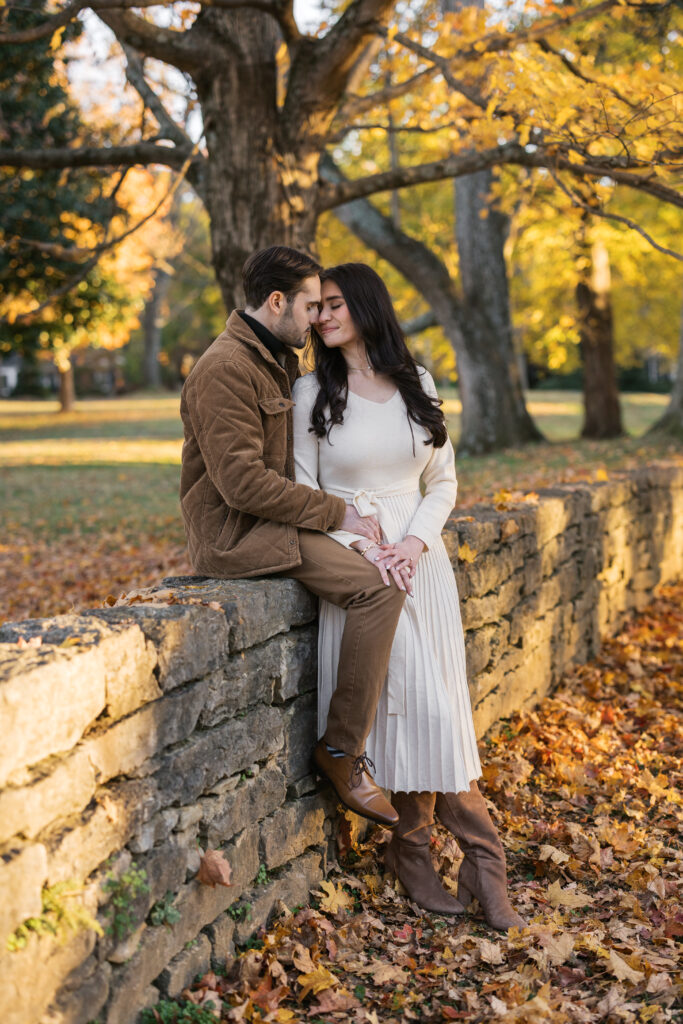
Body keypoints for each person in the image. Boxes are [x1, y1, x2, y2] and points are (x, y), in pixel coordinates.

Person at [292, 262, 526, 930]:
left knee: (434, 710)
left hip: (419, 561)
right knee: (403, 709)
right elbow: (305, 492)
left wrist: (414, 543)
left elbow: (442, 482)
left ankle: (443, 859)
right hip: (356, 561)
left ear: (366, 306)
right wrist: (369, 548)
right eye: (317, 308)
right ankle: (447, 860)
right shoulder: (310, 392)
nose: (323, 316)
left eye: (335, 304)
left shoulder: (415, 383)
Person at [180, 246, 418, 831]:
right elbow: (241, 484)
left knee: (383, 580)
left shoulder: (274, 357)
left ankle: (348, 749)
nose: (318, 317)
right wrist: (339, 514)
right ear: (278, 301)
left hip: (277, 520)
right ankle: (341, 751)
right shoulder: (225, 368)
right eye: (311, 304)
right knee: (377, 590)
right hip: (240, 534)